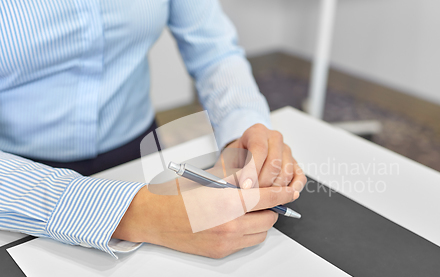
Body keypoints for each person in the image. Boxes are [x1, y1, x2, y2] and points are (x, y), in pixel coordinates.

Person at [0, 0, 306, 259]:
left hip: (142, 157)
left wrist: (243, 127)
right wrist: (137, 213)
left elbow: (213, 49)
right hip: (17, 181)